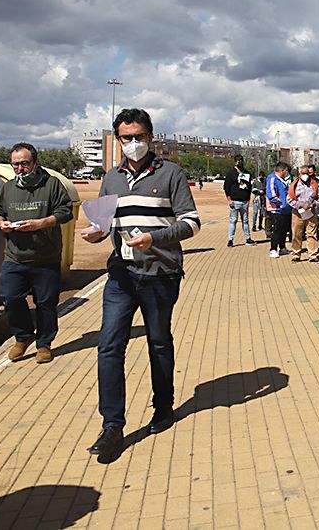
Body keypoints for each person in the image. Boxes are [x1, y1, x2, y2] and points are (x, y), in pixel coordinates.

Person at [80, 108, 201, 461]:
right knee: (109, 345)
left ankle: (163, 406)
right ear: (118, 140)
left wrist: (155, 238)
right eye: (125, 138)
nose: (132, 144)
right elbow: (104, 225)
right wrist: (96, 233)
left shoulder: (172, 174)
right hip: (121, 273)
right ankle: (112, 426)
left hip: (160, 274)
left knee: (158, 341)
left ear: (151, 137)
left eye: (138, 137)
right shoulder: (111, 178)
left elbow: (192, 224)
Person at [0, 143, 73, 364]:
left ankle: (44, 344)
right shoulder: (8, 188)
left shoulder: (51, 185)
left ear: (35, 163)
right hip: (15, 257)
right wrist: (2, 224)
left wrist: (41, 223)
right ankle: (23, 336)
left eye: (24, 163)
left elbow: (65, 212)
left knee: (46, 303)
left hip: (45, 258)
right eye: (15, 164)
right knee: (11, 298)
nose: (20, 168)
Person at [287, 166, 319, 262]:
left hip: (311, 212)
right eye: (303, 173)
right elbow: (289, 199)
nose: (305, 175)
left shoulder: (314, 184)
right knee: (296, 233)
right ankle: (296, 254)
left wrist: (313, 204)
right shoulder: (294, 185)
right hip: (298, 213)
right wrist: (300, 204)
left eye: (307, 173)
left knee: (312, 233)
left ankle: (313, 255)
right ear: (299, 174)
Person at [223, 154, 254, 247]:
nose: (239, 162)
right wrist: (229, 200)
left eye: (240, 160)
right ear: (234, 161)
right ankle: (230, 240)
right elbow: (226, 187)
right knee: (233, 220)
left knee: (245, 221)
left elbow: (249, 187)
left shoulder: (247, 173)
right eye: (237, 160)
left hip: (244, 201)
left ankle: (248, 238)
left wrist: (248, 198)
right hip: (234, 201)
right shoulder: (231, 173)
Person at [266, 162, 292, 258]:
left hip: (286, 210)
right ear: (283, 170)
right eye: (286, 171)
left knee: (284, 230)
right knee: (277, 230)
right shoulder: (272, 179)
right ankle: (273, 249)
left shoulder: (283, 180)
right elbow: (271, 195)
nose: (287, 173)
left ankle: (282, 247)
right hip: (276, 209)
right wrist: (281, 204)